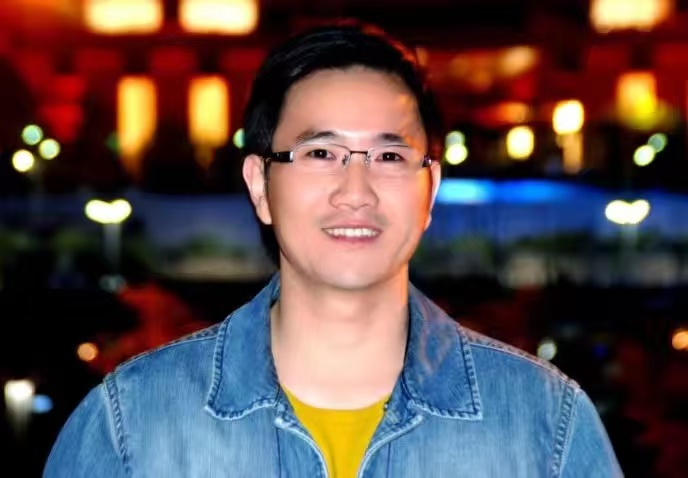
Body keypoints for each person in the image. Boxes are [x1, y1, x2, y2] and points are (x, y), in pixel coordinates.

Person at [43, 21, 623, 477]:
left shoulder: (545, 425)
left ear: (430, 190)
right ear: (259, 185)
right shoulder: (132, 426)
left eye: (390, 156)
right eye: (320, 153)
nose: (356, 191)